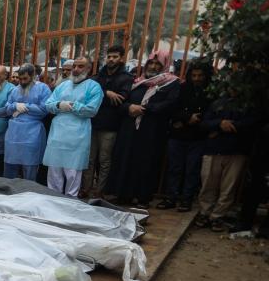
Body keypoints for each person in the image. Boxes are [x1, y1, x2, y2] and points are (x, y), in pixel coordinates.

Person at [106, 51, 180, 207]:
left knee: (147, 162)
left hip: (152, 130)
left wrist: (146, 109)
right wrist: (129, 107)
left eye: (157, 64)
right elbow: (121, 101)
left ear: (164, 66)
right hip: (130, 128)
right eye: (151, 64)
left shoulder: (171, 83)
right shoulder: (136, 82)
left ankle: (143, 197)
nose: (153, 67)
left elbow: (170, 104)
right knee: (127, 159)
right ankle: (123, 194)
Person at [194, 91, 257, 232]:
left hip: (237, 151)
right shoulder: (217, 103)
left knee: (228, 187)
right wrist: (219, 124)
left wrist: (226, 127)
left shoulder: (249, 105)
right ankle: (204, 213)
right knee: (208, 184)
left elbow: (251, 124)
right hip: (213, 149)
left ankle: (217, 216)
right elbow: (204, 123)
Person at [43, 56, 104, 197]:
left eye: (80, 66)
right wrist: (59, 105)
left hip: (77, 136)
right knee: (54, 172)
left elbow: (92, 110)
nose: (76, 69)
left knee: (72, 173)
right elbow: (48, 105)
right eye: (74, 66)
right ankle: (52, 203)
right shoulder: (63, 85)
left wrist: (71, 105)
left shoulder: (94, 87)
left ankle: (70, 205)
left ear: (89, 69)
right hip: (58, 135)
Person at [158, 60, 212, 211]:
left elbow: (210, 112)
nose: (196, 79)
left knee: (192, 170)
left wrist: (192, 120)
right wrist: (187, 118)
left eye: (200, 75)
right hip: (178, 136)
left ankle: (186, 200)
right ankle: (171, 197)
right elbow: (172, 108)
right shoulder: (181, 89)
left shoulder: (210, 91)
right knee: (174, 168)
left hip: (198, 137)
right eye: (194, 75)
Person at [84, 44, 133, 198]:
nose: (111, 60)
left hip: (110, 125)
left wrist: (102, 96)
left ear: (121, 58)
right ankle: (86, 188)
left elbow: (120, 100)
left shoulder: (126, 78)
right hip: (93, 123)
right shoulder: (97, 76)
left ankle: (100, 190)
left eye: (115, 57)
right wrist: (107, 93)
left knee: (104, 160)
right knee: (89, 159)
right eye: (109, 56)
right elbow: (89, 96)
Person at [1, 64, 51, 181]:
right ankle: (9, 192)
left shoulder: (43, 88)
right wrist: (15, 105)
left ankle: (29, 193)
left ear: (33, 76)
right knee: (10, 164)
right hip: (14, 132)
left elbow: (44, 109)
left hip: (32, 132)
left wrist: (26, 107)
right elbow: (7, 108)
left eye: (25, 79)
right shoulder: (15, 90)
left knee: (30, 165)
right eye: (20, 78)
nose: (22, 82)